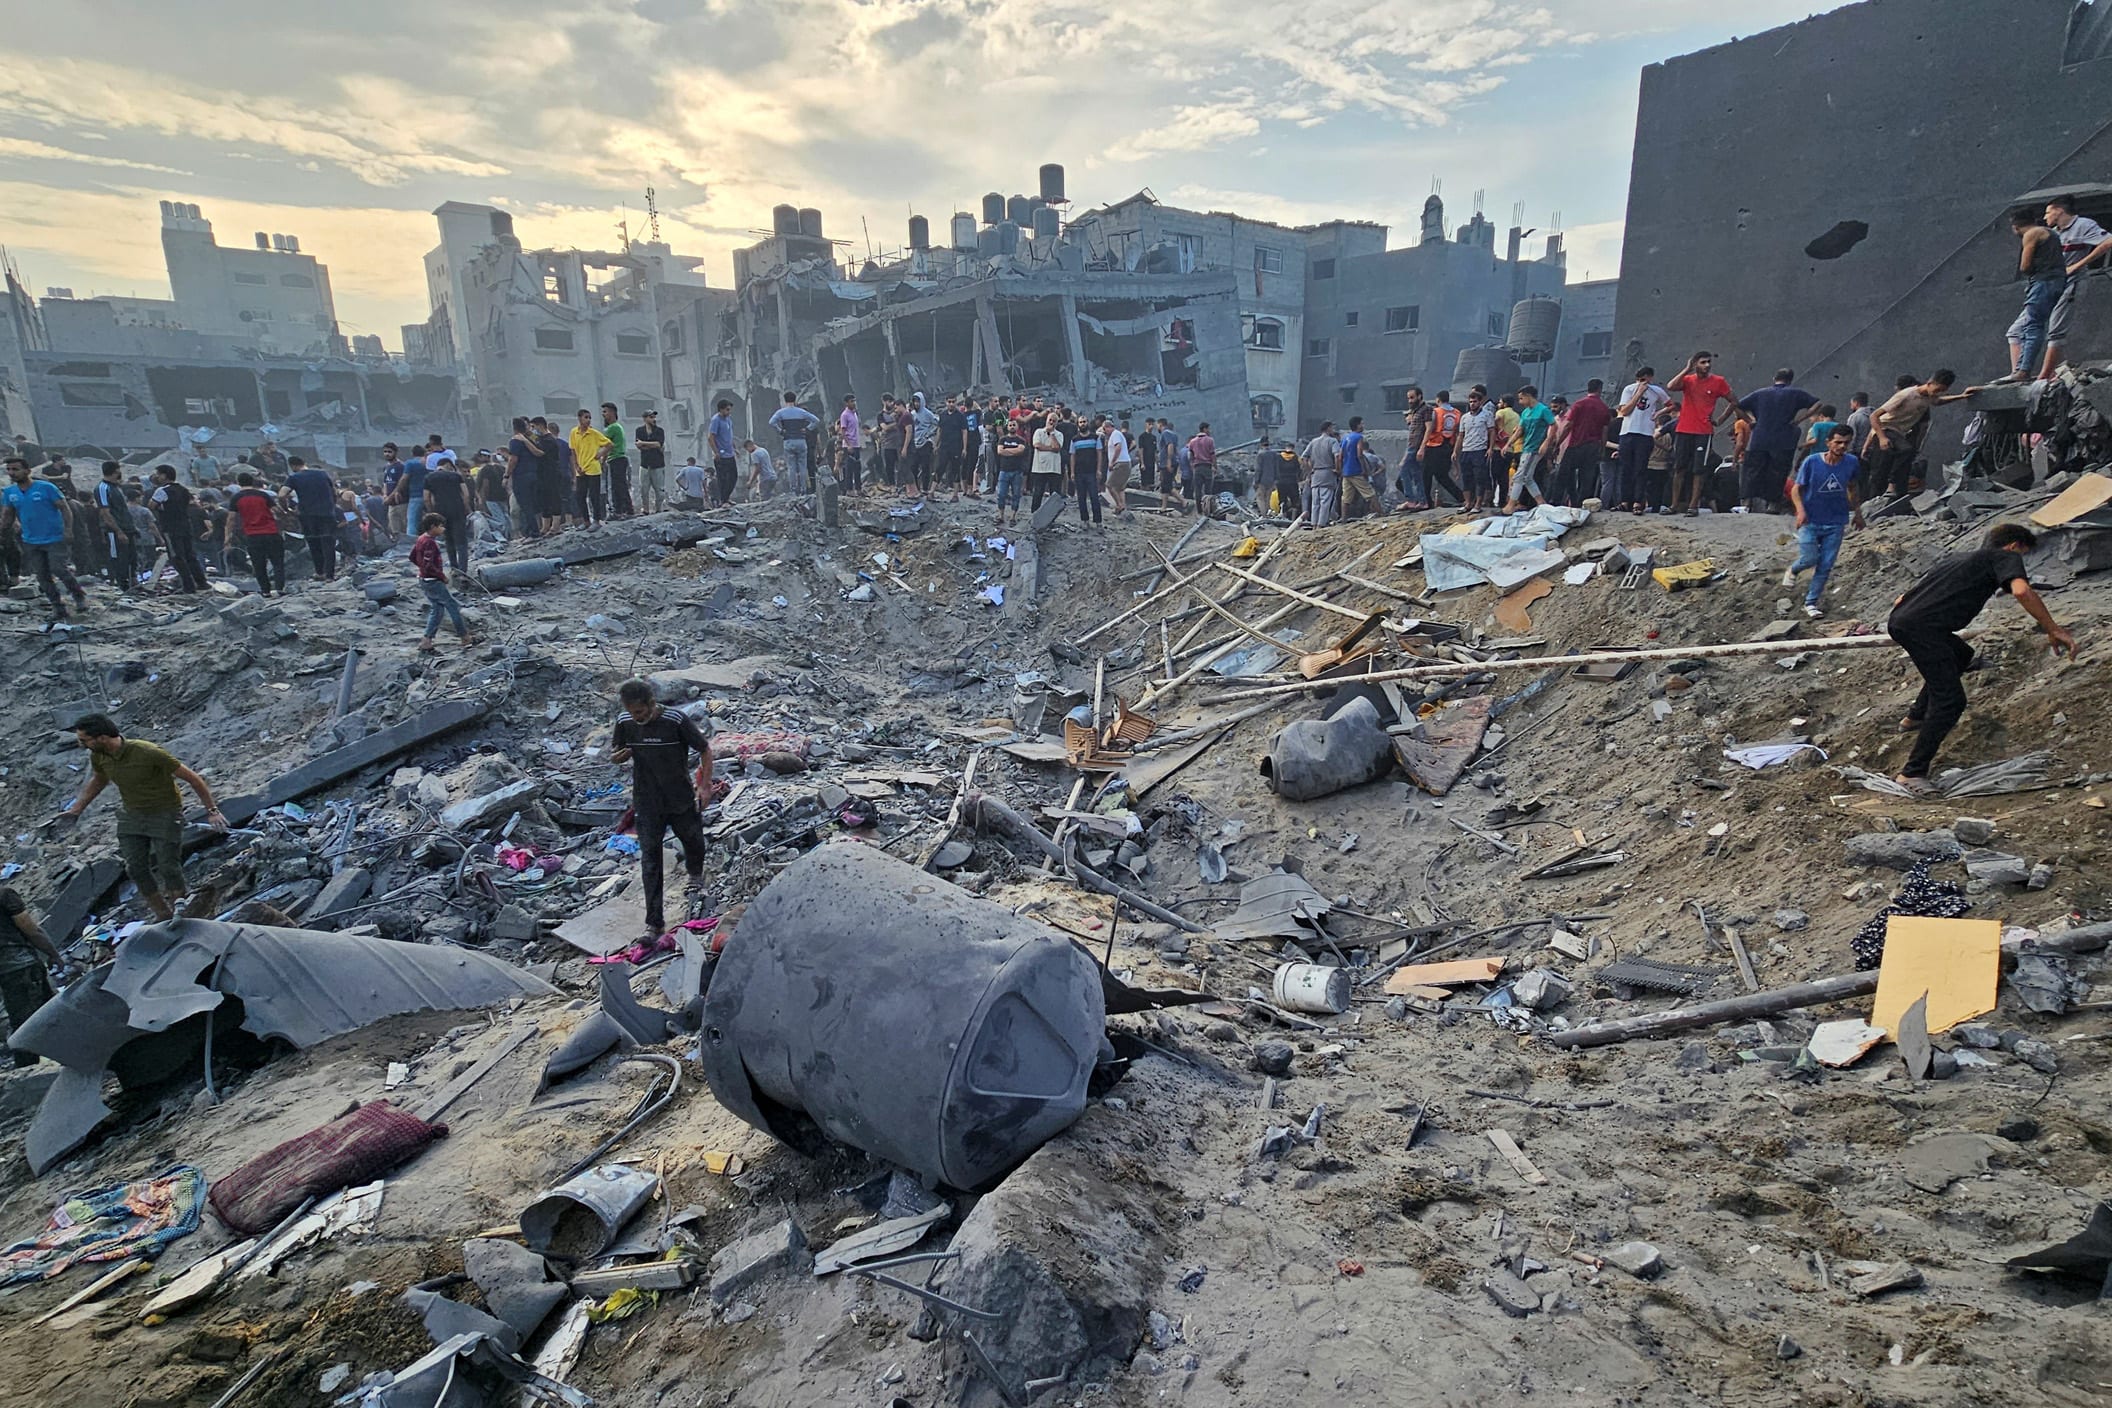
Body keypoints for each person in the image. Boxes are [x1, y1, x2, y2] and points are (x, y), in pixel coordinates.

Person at [1888, 524, 2075, 792]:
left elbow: (1901, 599)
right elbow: (2022, 591)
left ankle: (1915, 717)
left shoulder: (1958, 558)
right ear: (2013, 546)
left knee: (1961, 653)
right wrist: (2053, 628)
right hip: (1924, 629)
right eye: (2022, 554)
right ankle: (1912, 772)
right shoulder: (2004, 557)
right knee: (1951, 702)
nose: (2018, 562)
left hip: (1902, 621)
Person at [58, 714, 225, 920]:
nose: (80, 744)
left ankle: (182, 912)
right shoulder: (99, 756)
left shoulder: (147, 752)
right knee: (135, 868)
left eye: (84, 740)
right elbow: (99, 780)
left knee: (168, 867)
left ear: (101, 737)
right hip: (132, 816)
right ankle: (162, 915)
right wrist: (76, 809)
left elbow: (194, 779)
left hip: (165, 813)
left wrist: (212, 811)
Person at [611, 678, 713, 940]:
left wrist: (704, 786)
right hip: (647, 802)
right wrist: (619, 757)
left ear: (651, 703)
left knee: (693, 840)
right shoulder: (625, 722)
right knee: (650, 861)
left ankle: (695, 874)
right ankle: (654, 923)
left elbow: (705, 749)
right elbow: (616, 751)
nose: (636, 717)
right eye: (632, 712)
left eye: (640, 712)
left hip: (679, 797)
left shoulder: (675, 721)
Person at [1783, 426, 1865, 619]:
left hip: (1836, 521)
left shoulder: (1852, 463)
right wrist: (1800, 511)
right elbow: (1796, 489)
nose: (1842, 446)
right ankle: (1794, 569)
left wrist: (1858, 513)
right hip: (1811, 520)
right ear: (1828, 443)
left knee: (1826, 564)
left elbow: (1852, 487)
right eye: (1838, 442)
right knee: (1810, 558)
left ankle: (1811, 603)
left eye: (1846, 443)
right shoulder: (1812, 462)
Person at [2, 456, 86, 620]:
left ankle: (79, 596)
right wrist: (3, 531)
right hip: (31, 540)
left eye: (16, 469)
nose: (12, 473)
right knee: (42, 576)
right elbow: (8, 516)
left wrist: (68, 530)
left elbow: (64, 508)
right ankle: (58, 607)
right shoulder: (10, 493)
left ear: (27, 471)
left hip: (54, 537)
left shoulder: (46, 487)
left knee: (58, 568)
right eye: (9, 469)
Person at [1867, 371, 1972, 499]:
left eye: (1942, 391)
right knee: (1904, 452)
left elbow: (1938, 401)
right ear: (1929, 383)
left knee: (1902, 462)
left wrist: (1962, 396)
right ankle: (1886, 488)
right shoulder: (1906, 395)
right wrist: (1882, 438)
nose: (1938, 393)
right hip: (1885, 428)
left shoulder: (1929, 396)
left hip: (1898, 433)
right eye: (1937, 389)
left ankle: (1900, 494)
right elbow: (1874, 416)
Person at [1736, 369, 1820, 514]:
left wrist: (1750, 421)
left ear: (1774, 378)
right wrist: (1800, 419)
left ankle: (1746, 502)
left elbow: (1737, 406)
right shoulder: (1796, 393)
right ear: (1790, 380)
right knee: (1778, 471)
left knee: (1752, 470)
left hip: (1760, 438)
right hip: (1783, 439)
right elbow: (1817, 403)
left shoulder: (1760, 393)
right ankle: (1773, 504)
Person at [2002, 206, 2067, 384]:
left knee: (2033, 326)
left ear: (2015, 226)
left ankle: (2023, 370)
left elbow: (2025, 266)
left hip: (2042, 283)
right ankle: (2022, 368)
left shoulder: (2031, 234)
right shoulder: (2051, 233)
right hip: (2057, 282)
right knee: (2031, 326)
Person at [1665, 352, 1736, 515]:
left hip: (1703, 431)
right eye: (1703, 362)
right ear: (1696, 364)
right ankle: (1674, 505)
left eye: (1709, 362)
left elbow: (1734, 401)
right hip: (1684, 429)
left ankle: (1693, 505)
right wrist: (1687, 369)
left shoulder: (1719, 381)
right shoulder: (1688, 380)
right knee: (1679, 468)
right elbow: (1670, 386)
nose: (1707, 365)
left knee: (1699, 470)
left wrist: (1720, 420)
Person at [0, 885, 62, 1066]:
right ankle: (32, 1068)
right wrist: (53, 953)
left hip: (8, 971)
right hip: (20, 967)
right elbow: (31, 930)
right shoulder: (5, 895)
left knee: (20, 1020)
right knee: (34, 1020)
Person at [2051, 194, 2112, 379]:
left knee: (2056, 328)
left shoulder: (2083, 225)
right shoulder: (2054, 232)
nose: (2045, 217)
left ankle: (2048, 373)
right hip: (2054, 283)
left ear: (2059, 211)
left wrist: (2078, 265)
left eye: (2048, 212)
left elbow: (2108, 241)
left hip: (2073, 281)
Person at [411, 512, 476, 653]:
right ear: (433, 527)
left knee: (438, 609)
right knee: (452, 606)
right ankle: (464, 637)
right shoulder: (430, 543)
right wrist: (441, 576)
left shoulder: (421, 539)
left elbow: (413, 557)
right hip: (433, 581)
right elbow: (428, 565)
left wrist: (422, 570)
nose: (443, 529)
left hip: (424, 580)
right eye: (440, 526)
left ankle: (426, 640)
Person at [1614, 368, 1670, 513]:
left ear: (1651, 378)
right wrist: (1638, 393)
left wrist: (1659, 412)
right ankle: (1625, 500)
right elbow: (1624, 411)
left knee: (1640, 469)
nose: (1643, 382)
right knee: (1626, 468)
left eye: (1645, 379)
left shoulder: (1656, 391)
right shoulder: (1629, 389)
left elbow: (1670, 405)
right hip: (1627, 431)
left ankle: (1638, 502)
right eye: (1640, 379)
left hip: (1645, 433)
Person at [148, 466, 207, 593]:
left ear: (164, 476)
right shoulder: (184, 490)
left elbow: (151, 505)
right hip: (185, 525)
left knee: (177, 557)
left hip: (171, 528)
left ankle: (188, 586)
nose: (156, 477)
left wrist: (162, 508)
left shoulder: (162, 490)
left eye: (158, 474)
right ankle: (202, 582)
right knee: (190, 555)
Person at [226, 471, 286, 596]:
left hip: (253, 535)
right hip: (271, 532)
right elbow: (277, 511)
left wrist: (228, 536)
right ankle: (280, 588)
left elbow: (231, 519)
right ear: (252, 482)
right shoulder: (263, 495)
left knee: (259, 565)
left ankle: (265, 591)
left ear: (238, 483)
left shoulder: (236, 498)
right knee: (277, 562)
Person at [284, 455, 340, 580]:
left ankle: (320, 573)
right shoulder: (323, 474)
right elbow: (334, 492)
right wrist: (332, 506)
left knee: (314, 544)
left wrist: (287, 509)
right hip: (327, 514)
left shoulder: (294, 477)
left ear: (293, 466)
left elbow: (282, 494)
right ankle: (330, 575)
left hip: (307, 515)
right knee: (328, 543)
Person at [1561, 380, 1613, 508]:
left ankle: (1564, 501)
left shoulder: (1579, 404)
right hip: (1593, 445)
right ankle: (1581, 504)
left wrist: (1558, 442)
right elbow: (1604, 431)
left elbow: (1568, 425)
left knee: (1565, 474)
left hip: (1575, 444)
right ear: (1600, 389)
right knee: (1586, 478)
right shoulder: (1604, 408)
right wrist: (1602, 448)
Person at [1504, 386, 1555, 513]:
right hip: (1526, 447)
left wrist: (1546, 442)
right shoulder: (1525, 412)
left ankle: (1510, 505)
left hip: (1535, 448)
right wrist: (1508, 443)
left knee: (1519, 476)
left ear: (1529, 396)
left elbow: (1554, 426)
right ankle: (1541, 503)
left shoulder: (1543, 410)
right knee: (1527, 478)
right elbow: (1520, 430)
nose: (1520, 402)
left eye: (1521, 398)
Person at [95, 462, 140, 594]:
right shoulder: (102, 488)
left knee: (132, 557)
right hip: (114, 531)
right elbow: (105, 512)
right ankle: (122, 586)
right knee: (118, 558)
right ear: (115, 471)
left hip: (127, 528)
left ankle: (133, 583)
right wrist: (118, 531)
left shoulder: (116, 487)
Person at [424, 451, 471, 576]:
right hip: (457, 510)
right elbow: (465, 494)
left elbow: (426, 498)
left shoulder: (429, 478)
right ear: (448, 465)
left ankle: (454, 567)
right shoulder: (456, 476)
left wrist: (431, 512)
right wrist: (466, 508)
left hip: (440, 511)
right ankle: (463, 569)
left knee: (448, 540)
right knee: (461, 541)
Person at [1456, 385, 1498, 512]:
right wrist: (1455, 451)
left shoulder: (1487, 415)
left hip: (1479, 450)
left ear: (1480, 402)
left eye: (1475, 401)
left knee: (1480, 477)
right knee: (1466, 477)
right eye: (1470, 402)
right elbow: (1461, 435)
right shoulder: (1464, 417)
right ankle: (1468, 503)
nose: (1472, 404)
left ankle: (1478, 504)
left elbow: (1492, 431)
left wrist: (1490, 448)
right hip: (1466, 450)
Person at [768, 394, 820, 496]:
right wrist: (808, 429)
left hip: (788, 441)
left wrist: (780, 431)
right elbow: (816, 420)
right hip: (801, 441)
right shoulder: (801, 412)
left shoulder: (781, 412)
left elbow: (771, 422)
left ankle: (793, 490)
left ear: (785, 400)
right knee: (802, 466)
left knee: (791, 466)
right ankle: (804, 489)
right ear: (795, 400)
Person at [571, 409, 612, 524]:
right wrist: (576, 466)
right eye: (586, 417)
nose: (588, 420)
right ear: (579, 418)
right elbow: (573, 450)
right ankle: (586, 521)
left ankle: (597, 521)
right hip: (581, 469)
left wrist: (600, 454)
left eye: (589, 418)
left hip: (593, 468)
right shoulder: (574, 432)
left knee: (594, 496)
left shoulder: (594, 433)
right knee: (580, 496)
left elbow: (609, 444)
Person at [506, 417, 542, 538]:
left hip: (521, 476)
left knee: (525, 506)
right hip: (534, 474)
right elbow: (539, 442)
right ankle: (537, 529)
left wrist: (506, 475)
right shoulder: (531, 439)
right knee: (533, 505)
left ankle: (532, 533)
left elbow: (513, 459)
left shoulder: (515, 440)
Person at [534, 418, 571, 528]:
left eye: (534, 427)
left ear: (540, 426)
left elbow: (540, 452)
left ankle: (555, 526)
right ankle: (545, 527)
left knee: (555, 498)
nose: (533, 430)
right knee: (545, 500)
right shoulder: (539, 439)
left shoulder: (550, 440)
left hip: (553, 473)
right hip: (543, 474)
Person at [1303, 421, 1341, 528]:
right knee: (1325, 501)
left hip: (1316, 474)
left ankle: (1313, 523)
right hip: (1328, 473)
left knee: (1315, 502)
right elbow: (1337, 456)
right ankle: (1321, 524)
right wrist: (1337, 469)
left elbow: (1304, 458)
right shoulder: (1332, 441)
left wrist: (1310, 471)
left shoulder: (1313, 441)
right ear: (1328, 428)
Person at [1338, 416, 1377, 518]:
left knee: (1346, 497)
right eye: (1362, 423)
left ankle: (1343, 519)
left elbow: (1340, 456)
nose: (1363, 426)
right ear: (1357, 425)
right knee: (1370, 493)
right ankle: (1381, 514)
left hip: (1346, 472)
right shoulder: (1359, 437)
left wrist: (1340, 469)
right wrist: (1364, 469)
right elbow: (1359, 454)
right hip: (1356, 471)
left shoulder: (1345, 438)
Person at [1069, 414, 1104, 526]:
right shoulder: (1074, 440)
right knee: (1081, 498)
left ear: (1087, 423)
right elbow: (1072, 456)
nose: (1083, 424)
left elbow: (1099, 454)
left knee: (1094, 497)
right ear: (1078, 425)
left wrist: (1099, 470)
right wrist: (1072, 472)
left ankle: (1098, 521)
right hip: (1079, 473)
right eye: (1080, 422)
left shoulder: (1095, 438)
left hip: (1092, 472)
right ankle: (1085, 521)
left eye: (1084, 421)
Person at [599, 403, 633, 517]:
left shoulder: (612, 428)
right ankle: (621, 510)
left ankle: (624, 510)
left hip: (617, 459)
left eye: (605, 411)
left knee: (618, 486)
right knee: (618, 486)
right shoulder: (617, 427)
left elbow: (607, 446)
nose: (603, 414)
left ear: (613, 412)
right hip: (619, 459)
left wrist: (601, 460)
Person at [993, 419, 1028, 526]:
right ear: (1007, 427)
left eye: (1014, 425)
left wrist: (1007, 451)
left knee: (1016, 494)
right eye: (1010, 425)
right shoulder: (1002, 439)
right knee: (1001, 494)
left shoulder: (1021, 440)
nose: (1012, 426)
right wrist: (1014, 451)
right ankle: (1001, 516)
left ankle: (1013, 517)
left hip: (1017, 471)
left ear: (1017, 427)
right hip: (1004, 470)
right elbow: (999, 451)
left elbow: (1021, 450)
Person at [633, 408, 667, 512]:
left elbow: (658, 444)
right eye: (651, 417)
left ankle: (658, 509)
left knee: (659, 490)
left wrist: (644, 443)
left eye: (654, 417)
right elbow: (639, 445)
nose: (654, 419)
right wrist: (650, 445)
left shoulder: (659, 431)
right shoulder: (639, 430)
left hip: (658, 464)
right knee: (644, 489)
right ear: (645, 418)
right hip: (644, 464)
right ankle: (646, 510)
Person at [1028, 414, 1064, 512]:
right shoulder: (1038, 432)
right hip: (1039, 468)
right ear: (1046, 420)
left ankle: (1051, 516)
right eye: (1050, 420)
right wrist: (1050, 448)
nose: (1051, 422)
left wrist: (1052, 434)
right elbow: (1037, 445)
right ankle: (1034, 514)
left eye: (1054, 421)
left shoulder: (1059, 434)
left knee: (1054, 495)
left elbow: (1057, 448)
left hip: (1054, 468)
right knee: (1038, 492)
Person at [936, 395, 969, 498]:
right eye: (949, 401)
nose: (951, 404)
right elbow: (939, 430)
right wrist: (936, 444)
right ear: (946, 402)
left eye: (953, 402)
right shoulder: (943, 415)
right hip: (944, 446)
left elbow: (964, 432)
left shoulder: (960, 416)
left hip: (956, 446)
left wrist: (964, 448)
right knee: (940, 468)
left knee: (955, 470)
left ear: (956, 402)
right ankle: (932, 491)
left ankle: (955, 494)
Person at [474, 450, 510, 540]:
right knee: (506, 516)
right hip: (503, 496)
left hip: (491, 498)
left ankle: (503, 537)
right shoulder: (502, 468)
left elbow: (485, 485)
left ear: (484, 457)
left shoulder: (485, 469)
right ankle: (510, 535)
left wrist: (483, 499)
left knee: (499, 518)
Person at [1104, 416, 1133, 515]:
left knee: (1109, 485)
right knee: (1120, 487)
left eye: (1105, 429)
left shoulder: (1115, 434)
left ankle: (1119, 505)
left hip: (1120, 463)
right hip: (1125, 462)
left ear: (1108, 427)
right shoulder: (1116, 434)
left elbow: (1118, 447)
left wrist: (1112, 462)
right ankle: (1123, 506)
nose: (1105, 432)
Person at [836, 394, 864, 494]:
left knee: (857, 468)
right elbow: (843, 432)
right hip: (849, 445)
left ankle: (859, 489)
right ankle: (849, 490)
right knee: (849, 468)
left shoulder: (855, 413)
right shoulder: (844, 415)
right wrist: (848, 445)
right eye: (851, 401)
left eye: (854, 401)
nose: (854, 403)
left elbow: (856, 430)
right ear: (847, 403)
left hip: (856, 444)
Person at [1187, 422, 1216, 515]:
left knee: (1198, 489)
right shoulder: (1210, 440)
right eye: (1208, 429)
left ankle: (1199, 510)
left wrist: (1192, 465)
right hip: (1207, 467)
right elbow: (1213, 455)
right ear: (1204, 429)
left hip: (1197, 467)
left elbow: (1190, 456)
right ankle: (1208, 509)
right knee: (1208, 490)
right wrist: (1215, 466)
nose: (1209, 431)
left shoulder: (1192, 442)